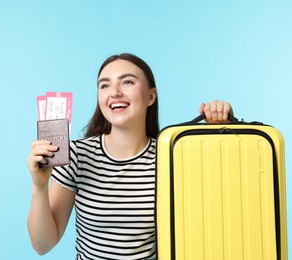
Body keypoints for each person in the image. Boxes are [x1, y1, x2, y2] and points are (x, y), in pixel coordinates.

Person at [27, 53, 233, 259]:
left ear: (151, 96)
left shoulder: (172, 159)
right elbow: (43, 245)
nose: (114, 92)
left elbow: (217, 215)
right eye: (104, 85)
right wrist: (39, 186)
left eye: (127, 82)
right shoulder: (76, 156)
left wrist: (222, 130)